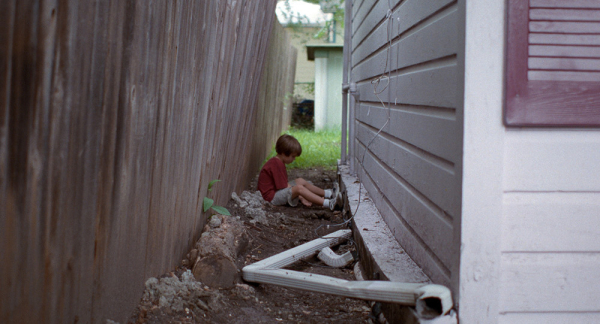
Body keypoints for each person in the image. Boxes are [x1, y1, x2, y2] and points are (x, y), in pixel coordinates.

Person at [257, 134, 342, 210]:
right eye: (293, 156)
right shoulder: (276, 164)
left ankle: (329, 193)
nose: (294, 159)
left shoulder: (277, 161)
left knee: (300, 181)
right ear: (283, 153)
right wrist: (302, 197)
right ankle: (328, 203)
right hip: (270, 198)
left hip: (275, 192)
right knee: (299, 188)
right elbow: (285, 187)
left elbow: (284, 185)